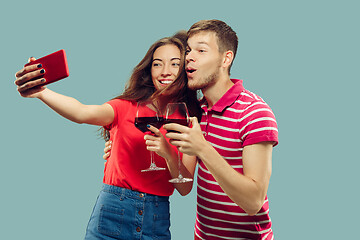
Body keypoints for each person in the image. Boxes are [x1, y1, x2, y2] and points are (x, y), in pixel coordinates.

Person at [14, 31, 201, 240]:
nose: (165, 71)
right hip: (114, 210)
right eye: (157, 64)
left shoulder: (188, 120)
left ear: (185, 70)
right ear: (149, 70)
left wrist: (168, 154)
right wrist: (42, 92)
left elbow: (184, 188)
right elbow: (81, 112)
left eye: (175, 64)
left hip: (156, 218)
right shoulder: (126, 107)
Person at [102, 20, 279, 239]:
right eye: (188, 50)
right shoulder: (196, 111)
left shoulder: (254, 112)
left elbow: (253, 202)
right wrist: (119, 147)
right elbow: (183, 183)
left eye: (201, 50)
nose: (189, 57)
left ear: (226, 59)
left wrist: (203, 149)